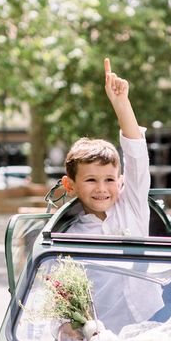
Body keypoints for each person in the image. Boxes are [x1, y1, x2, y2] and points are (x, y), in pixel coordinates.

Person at [62, 57, 150, 237]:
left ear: (120, 182)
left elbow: (137, 156)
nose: (101, 188)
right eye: (91, 180)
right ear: (69, 185)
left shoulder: (132, 205)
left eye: (109, 180)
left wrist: (121, 103)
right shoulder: (69, 235)